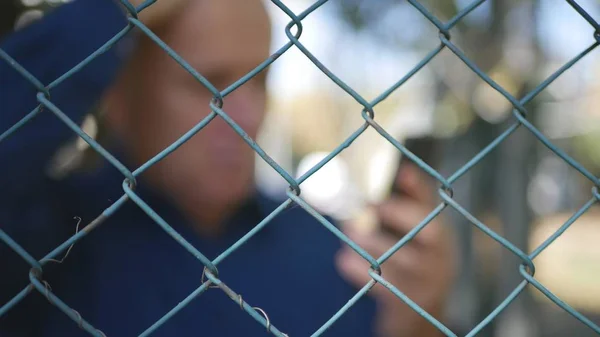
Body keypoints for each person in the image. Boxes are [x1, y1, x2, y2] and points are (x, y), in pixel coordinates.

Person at [0, 1, 456, 336]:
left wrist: (420, 324)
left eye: (257, 80)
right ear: (119, 97)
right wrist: (110, 12)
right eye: (208, 84)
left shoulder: (340, 258)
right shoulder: (51, 245)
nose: (246, 116)